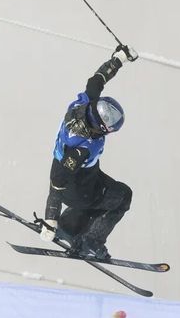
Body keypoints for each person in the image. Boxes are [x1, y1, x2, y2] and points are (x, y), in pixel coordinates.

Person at [38, 46, 136, 260]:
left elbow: (97, 80)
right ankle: (93, 241)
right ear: (101, 127)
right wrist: (50, 218)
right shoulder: (81, 147)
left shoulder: (84, 104)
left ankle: (70, 226)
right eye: (109, 125)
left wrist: (118, 59)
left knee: (105, 194)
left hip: (87, 176)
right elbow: (58, 178)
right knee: (122, 197)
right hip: (77, 188)